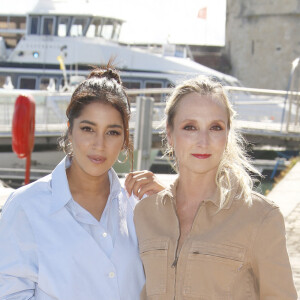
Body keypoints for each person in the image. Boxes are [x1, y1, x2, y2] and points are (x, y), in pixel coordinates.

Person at [0, 65, 165, 299]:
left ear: (125, 138)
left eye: (112, 132)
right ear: (70, 130)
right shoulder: (27, 206)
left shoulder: (141, 205)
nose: (99, 144)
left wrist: (170, 203)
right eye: (88, 129)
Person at [134, 76, 298, 299]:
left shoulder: (260, 218)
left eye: (215, 127)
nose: (203, 141)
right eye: (190, 127)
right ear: (170, 134)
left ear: (227, 135)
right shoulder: (145, 213)